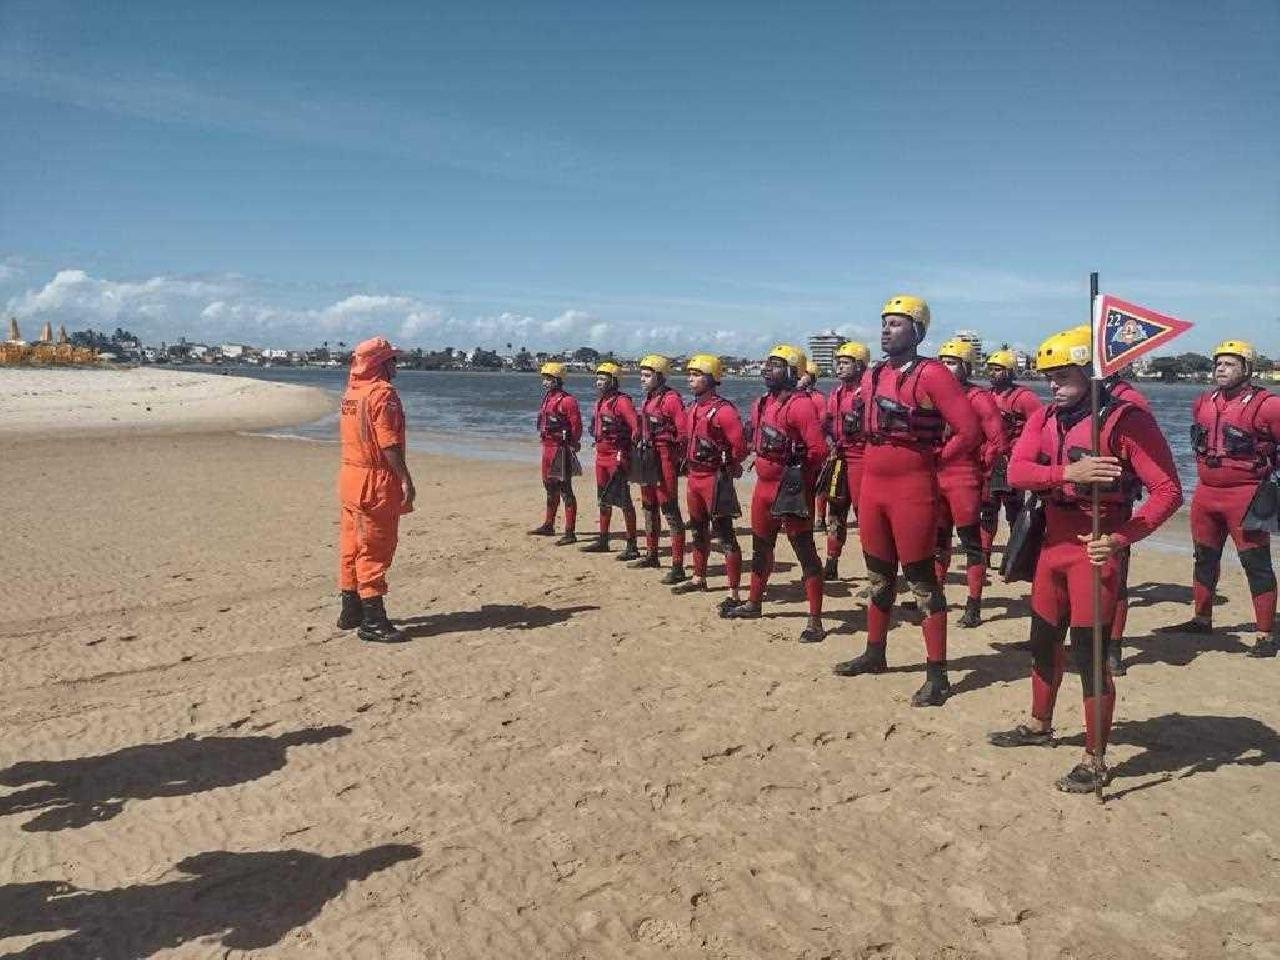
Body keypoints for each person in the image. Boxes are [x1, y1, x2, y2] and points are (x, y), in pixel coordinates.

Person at [988, 325, 1182, 793]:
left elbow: (1168, 491)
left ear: (1092, 371)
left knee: (1090, 657)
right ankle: (1039, 726)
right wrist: (1066, 472)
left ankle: (1094, 757)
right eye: (1048, 375)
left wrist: (1122, 538)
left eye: (1063, 374)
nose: (1052, 384)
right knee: (1042, 641)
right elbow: (1017, 471)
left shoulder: (1127, 421)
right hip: (1051, 545)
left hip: (1096, 547)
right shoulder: (1045, 417)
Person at [833, 296, 980, 707]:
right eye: (884, 322)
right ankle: (875, 652)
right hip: (874, 486)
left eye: (896, 323)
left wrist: (935, 461)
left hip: (913, 487)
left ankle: (938, 674)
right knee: (878, 576)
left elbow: (968, 432)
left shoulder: (933, 375)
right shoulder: (873, 374)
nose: (886, 329)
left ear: (916, 331)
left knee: (921, 581)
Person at [1162, 339, 1279, 657]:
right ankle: (1201, 619)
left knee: (1256, 564)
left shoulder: (1267, 405)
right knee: (1204, 558)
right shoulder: (1202, 402)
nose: (1221, 369)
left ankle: (1266, 635)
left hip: (1246, 495)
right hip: (1205, 495)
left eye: (1229, 364)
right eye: (1218, 363)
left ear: (1247, 369)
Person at [723, 344, 829, 642]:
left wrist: (798, 475)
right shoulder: (760, 403)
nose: (768, 369)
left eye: (777, 365)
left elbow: (819, 450)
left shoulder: (800, 405)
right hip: (763, 489)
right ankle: (754, 603)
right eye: (768, 364)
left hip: (791, 490)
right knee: (761, 547)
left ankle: (815, 620)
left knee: (805, 551)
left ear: (793, 372)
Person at [336, 336, 416, 643]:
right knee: (375, 547)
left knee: (351, 544)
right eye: (392, 359)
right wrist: (405, 478)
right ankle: (373, 620)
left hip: (350, 476)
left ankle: (351, 608)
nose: (396, 365)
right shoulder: (383, 394)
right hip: (374, 480)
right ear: (380, 363)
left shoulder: (352, 392)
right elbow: (389, 443)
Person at [934, 338, 1006, 628]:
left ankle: (973, 605)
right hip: (936, 476)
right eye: (942, 362)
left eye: (951, 362)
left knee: (970, 543)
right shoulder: (933, 396)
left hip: (964, 476)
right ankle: (935, 596)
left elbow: (998, 440)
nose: (945, 367)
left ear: (965, 366)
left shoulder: (978, 398)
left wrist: (981, 468)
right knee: (938, 542)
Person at [673, 354, 748, 604]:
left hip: (714, 479)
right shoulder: (692, 407)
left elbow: (739, 446)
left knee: (725, 535)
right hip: (694, 477)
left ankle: (734, 591)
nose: (690, 379)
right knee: (697, 529)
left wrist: (730, 465)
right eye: (690, 375)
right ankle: (698, 577)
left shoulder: (724, 411)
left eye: (696, 375)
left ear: (712, 379)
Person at [980, 349, 1043, 563]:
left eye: (998, 370)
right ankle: (984, 555)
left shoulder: (1025, 398)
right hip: (989, 461)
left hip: (1012, 461)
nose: (993, 373)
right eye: (991, 369)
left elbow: (1040, 428)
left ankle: (1014, 556)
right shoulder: (986, 396)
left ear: (1009, 372)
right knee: (987, 509)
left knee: (1014, 511)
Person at [632, 354, 689, 582]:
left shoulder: (672, 399)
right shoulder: (648, 399)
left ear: (660, 376)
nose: (642, 380)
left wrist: (678, 459)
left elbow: (683, 433)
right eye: (642, 375)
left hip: (664, 458)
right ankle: (651, 554)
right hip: (647, 456)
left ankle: (677, 566)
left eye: (647, 376)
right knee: (648, 506)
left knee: (669, 509)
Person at [581, 361, 641, 558]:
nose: (599, 382)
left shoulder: (622, 402)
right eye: (597, 379)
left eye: (603, 379)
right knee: (603, 499)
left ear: (613, 381)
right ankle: (603, 539)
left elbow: (636, 428)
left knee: (624, 501)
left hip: (617, 457)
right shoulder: (599, 402)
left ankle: (632, 545)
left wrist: (628, 450)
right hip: (601, 456)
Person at [821, 341, 870, 581]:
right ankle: (831, 562)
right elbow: (827, 423)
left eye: (845, 363)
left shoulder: (869, 393)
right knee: (836, 511)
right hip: (840, 458)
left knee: (865, 516)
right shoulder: (836, 394)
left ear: (859, 366)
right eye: (837, 363)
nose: (839, 367)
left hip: (862, 459)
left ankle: (875, 570)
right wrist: (830, 441)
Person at [529, 361, 582, 546]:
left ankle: (570, 532)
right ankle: (549, 524)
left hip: (561, 449)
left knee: (565, 490)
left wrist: (572, 445)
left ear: (558, 380)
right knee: (549, 487)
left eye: (548, 378)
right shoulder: (547, 398)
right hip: (547, 448)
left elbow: (576, 427)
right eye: (544, 378)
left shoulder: (567, 401)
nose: (545, 382)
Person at [798, 360, 830, 532]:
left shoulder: (817, 399)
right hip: (803, 447)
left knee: (819, 485)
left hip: (814, 447)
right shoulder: (796, 397)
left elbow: (823, 422)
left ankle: (820, 518)